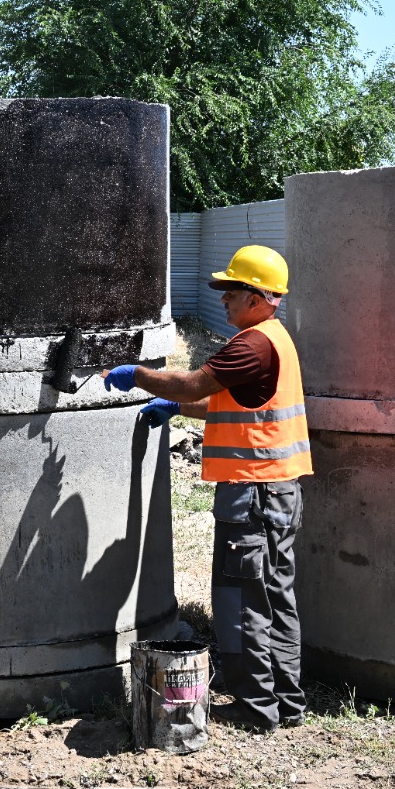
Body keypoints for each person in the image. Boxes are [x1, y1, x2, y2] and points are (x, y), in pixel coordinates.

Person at [103, 245, 311, 734]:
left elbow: (194, 384)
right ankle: (286, 702)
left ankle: (256, 708)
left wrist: (140, 377)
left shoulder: (250, 345)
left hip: (252, 497)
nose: (222, 300)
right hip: (278, 494)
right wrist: (178, 413)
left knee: (243, 602)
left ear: (259, 296)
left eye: (231, 291)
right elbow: (238, 410)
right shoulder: (275, 339)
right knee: (277, 599)